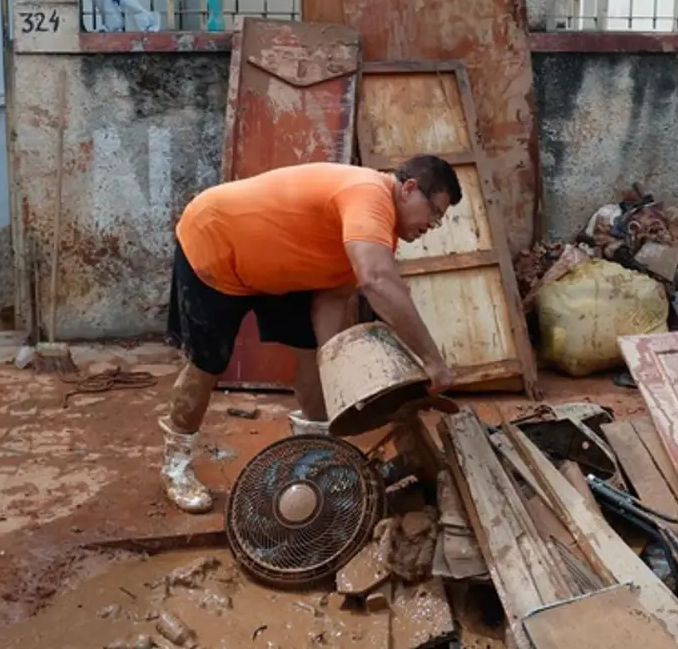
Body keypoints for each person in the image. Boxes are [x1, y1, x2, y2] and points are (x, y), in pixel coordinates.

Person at [159, 156, 460, 513]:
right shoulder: (369, 195)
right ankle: (175, 467)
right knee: (207, 363)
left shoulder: (381, 233)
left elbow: (332, 297)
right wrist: (432, 361)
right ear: (409, 189)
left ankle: (310, 459)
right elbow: (377, 280)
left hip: (280, 269)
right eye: (434, 213)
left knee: (310, 356)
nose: (433, 224)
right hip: (216, 245)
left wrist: (328, 357)